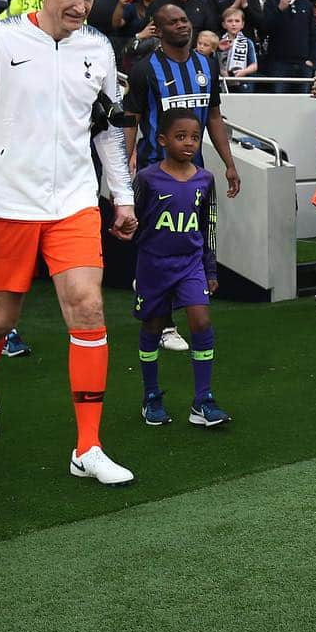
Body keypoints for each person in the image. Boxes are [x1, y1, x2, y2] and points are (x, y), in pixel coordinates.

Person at [0, 0, 138, 486]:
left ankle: (88, 446)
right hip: (6, 204)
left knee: (89, 307)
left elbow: (107, 128)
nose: (79, 7)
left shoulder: (97, 48)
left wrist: (122, 196)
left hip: (72, 203)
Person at [123, 3, 242, 353]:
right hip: (154, 173)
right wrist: (124, 163)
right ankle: (163, 320)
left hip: (195, 174)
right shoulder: (146, 70)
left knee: (196, 234)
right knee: (157, 240)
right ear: (158, 31)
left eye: (184, 20)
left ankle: (184, 307)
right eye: (172, 22)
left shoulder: (207, 64)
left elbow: (215, 116)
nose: (181, 26)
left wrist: (229, 163)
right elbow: (131, 117)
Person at [131, 109, 230, 427]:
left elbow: (208, 226)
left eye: (194, 137)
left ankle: (202, 401)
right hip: (154, 267)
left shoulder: (205, 178)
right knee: (153, 328)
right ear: (162, 140)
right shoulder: (147, 178)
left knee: (201, 321)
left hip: (191, 266)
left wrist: (210, 269)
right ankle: (151, 396)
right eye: (180, 136)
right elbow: (135, 220)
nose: (189, 143)